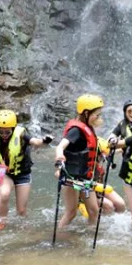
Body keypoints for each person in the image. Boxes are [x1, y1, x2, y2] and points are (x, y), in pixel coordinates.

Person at [0, 109, 53, 230]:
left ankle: (23, 225)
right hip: (2, 171)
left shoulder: (21, 134)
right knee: (4, 194)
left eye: (7, 132)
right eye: (1, 132)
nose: (4, 135)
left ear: (13, 128)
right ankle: (2, 221)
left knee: (21, 210)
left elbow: (35, 142)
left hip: (23, 173)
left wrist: (44, 141)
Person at [54, 94, 106, 228]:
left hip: (85, 177)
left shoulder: (86, 126)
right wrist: (59, 157)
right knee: (71, 212)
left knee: (94, 211)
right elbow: (61, 146)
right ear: (86, 113)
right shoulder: (76, 130)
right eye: (97, 115)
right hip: (72, 177)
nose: (99, 118)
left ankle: (89, 236)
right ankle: (59, 234)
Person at [77, 136, 126, 218]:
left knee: (120, 204)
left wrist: (124, 147)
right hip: (85, 192)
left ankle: (113, 221)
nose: (103, 159)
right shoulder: (83, 163)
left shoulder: (100, 158)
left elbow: (114, 151)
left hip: (98, 190)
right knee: (108, 206)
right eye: (101, 156)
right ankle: (100, 222)